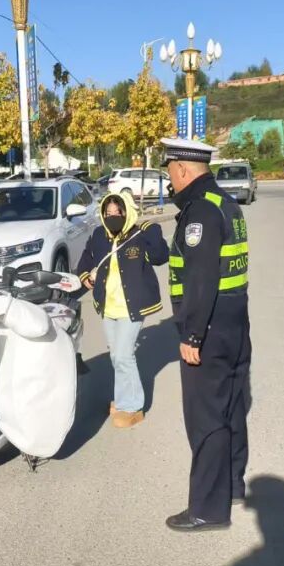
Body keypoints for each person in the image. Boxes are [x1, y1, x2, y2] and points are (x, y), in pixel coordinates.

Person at [160, 137, 252, 532]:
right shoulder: (225, 202)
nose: (170, 180)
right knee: (231, 406)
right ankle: (232, 485)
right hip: (235, 320)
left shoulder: (199, 211)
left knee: (206, 417)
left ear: (182, 169)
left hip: (209, 327)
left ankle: (208, 510)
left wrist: (192, 335)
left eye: (170, 172)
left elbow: (201, 279)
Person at [75, 191, 169, 427]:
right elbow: (86, 258)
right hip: (108, 306)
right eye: (108, 213)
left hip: (132, 306)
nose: (112, 217)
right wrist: (85, 275)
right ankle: (122, 399)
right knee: (116, 356)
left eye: (118, 212)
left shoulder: (139, 235)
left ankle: (133, 406)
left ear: (127, 212)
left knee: (124, 356)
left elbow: (160, 256)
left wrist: (152, 229)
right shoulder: (99, 235)